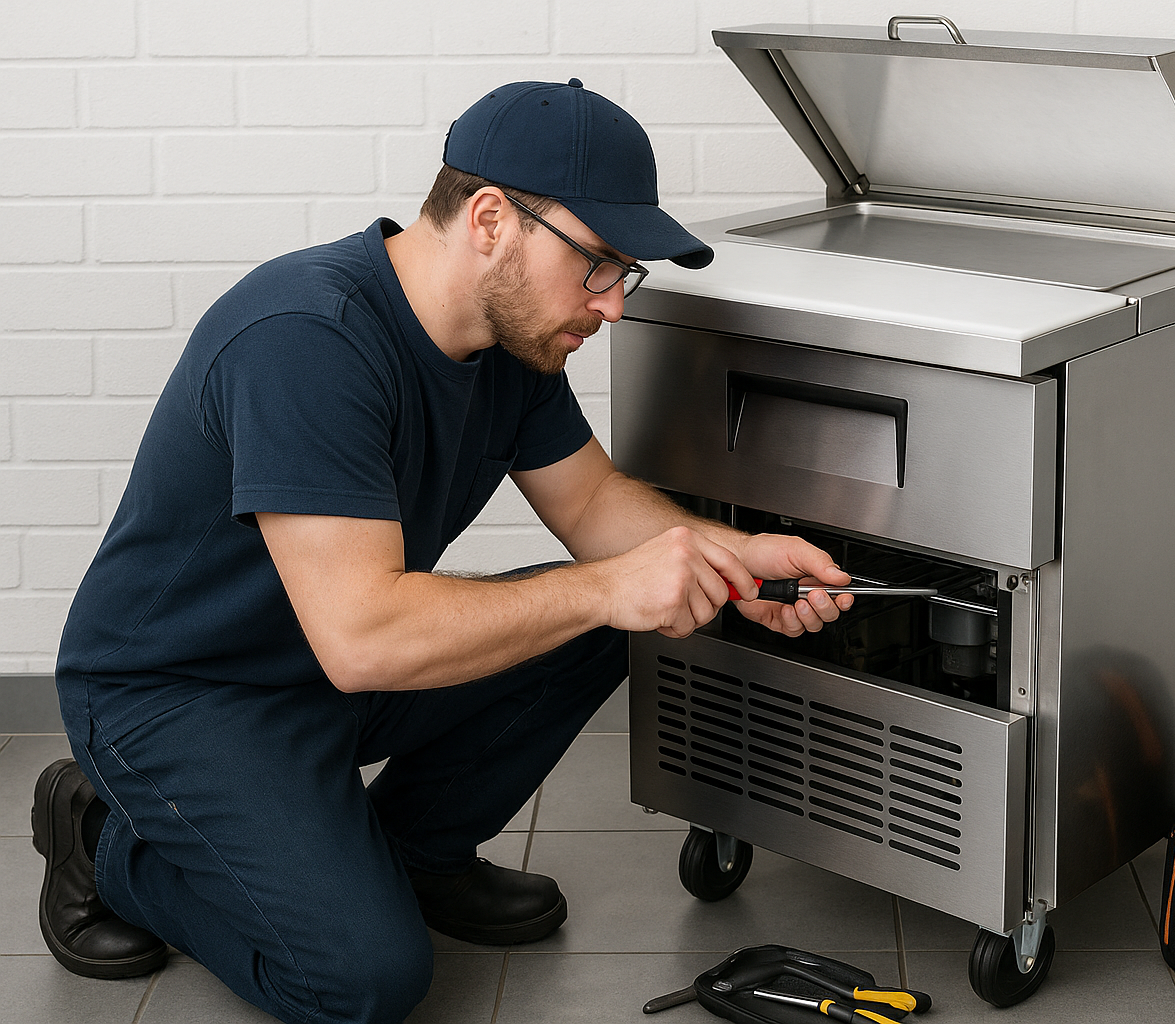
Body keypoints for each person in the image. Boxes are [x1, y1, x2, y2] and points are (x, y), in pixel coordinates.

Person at [34, 79, 854, 1024]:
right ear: (492, 219)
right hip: (184, 695)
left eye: (625, 273)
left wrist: (734, 561)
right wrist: (609, 588)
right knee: (363, 982)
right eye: (598, 265)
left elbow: (591, 501)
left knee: (616, 609)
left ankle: (412, 856)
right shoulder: (309, 340)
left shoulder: (515, 345)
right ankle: (105, 839)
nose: (613, 306)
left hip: (328, 665)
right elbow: (366, 640)